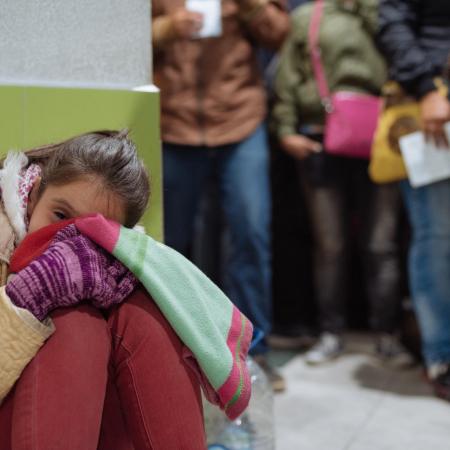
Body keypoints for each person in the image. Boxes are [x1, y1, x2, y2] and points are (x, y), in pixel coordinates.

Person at [0, 130, 248, 449]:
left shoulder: (117, 262)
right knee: (75, 320)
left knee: (143, 310)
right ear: (33, 193)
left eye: (89, 232)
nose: (65, 237)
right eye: (60, 215)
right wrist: (30, 296)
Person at [152, 0, 290, 390]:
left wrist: (251, 7)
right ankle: (167, 351)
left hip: (240, 121)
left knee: (251, 234)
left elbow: (282, 35)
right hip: (173, 123)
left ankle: (255, 351)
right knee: (168, 246)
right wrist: (166, 28)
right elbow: (117, 40)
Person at [271, 0, 413, 366]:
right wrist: (286, 131)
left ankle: (388, 334)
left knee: (381, 243)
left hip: (380, 137)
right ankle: (331, 332)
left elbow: (404, 57)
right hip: (321, 137)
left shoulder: (387, 14)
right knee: (329, 245)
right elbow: (288, 77)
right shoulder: (310, 16)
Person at [377, 0, 450, 398]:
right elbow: (392, 22)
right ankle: (442, 356)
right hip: (434, 104)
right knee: (437, 236)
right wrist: (427, 87)